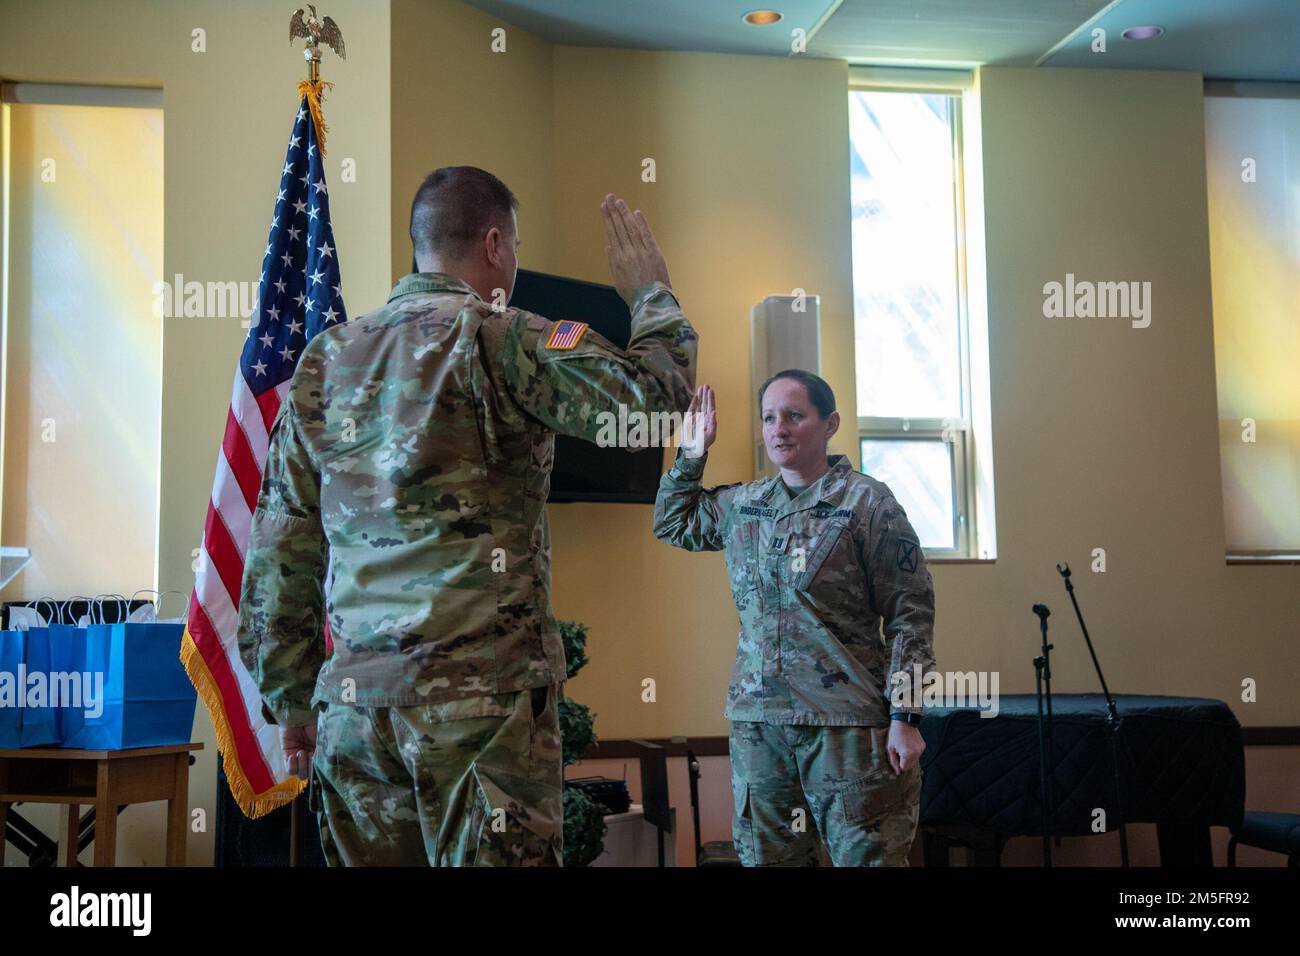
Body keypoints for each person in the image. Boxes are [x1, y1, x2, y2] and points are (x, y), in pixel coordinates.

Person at [237, 166, 697, 865]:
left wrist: (293, 699)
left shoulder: (325, 360)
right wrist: (652, 296)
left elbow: (281, 541)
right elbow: (655, 403)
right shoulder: (507, 337)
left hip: (357, 714)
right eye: (512, 246)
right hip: (480, 713)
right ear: (494, 245)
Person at [653, 373, 936, 866]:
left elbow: (910, 614)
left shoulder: (868, 504)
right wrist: (692, 453)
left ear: (830, 424)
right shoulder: (746, 506)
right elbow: (673, 522)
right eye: (768, 418)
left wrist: (906, 717)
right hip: (760, 726)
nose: (778, 428)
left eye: (793, 415)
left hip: (848, 727)